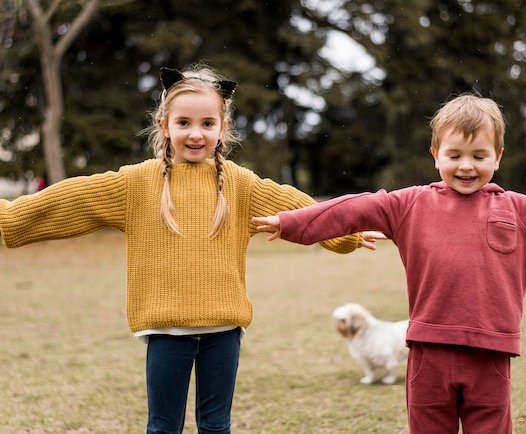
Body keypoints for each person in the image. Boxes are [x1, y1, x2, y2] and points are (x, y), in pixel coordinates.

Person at [0, 64, 383, 434]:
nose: (195, 133)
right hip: (166, 331)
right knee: (163, 428)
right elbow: (73, 199)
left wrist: (346, 232)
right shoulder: (136, 184)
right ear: (164, 125)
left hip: (224, 331)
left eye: (207, 123)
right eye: (183, 123)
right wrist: (8, 219)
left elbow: (297, 205)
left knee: (216, 427)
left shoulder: (239, 184)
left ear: (223, 127)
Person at [252, 93, 526, 433]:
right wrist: (292, 222)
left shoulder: (522, 210)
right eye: (454, 155)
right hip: (428, 354)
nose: (466, 166)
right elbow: (355, 207)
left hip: (490, 357)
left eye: (479, 156)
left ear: (498, 156)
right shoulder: (410, 204)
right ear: (435, 154)